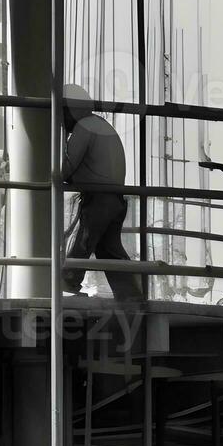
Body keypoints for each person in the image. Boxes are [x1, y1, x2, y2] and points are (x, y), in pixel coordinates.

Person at [59, 86, 141, 302]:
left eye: (63, 112)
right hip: (115, 198)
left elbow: (68, 166)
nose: (61, 119)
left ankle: (68, 282)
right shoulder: (101, 125)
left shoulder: (84, 127)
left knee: (85, 241)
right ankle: (130, 295)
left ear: (72, 110)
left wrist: (51, 171)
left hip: (99, 198)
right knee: (109, 250)